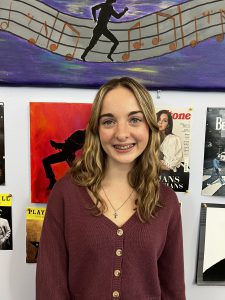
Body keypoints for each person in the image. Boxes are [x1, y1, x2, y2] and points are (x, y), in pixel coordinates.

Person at [36, 77, 185, 299]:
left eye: (134, 119)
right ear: (96, 129)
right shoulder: (66, 193)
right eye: (109, 121)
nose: (122, 133)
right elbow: (50, 285)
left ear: (149, 126)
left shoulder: (166, 201)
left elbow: (172, 289)